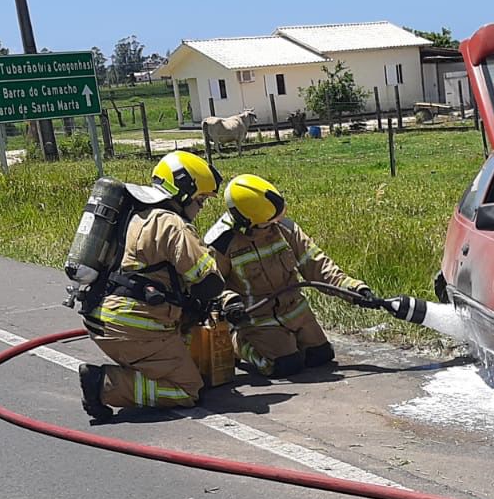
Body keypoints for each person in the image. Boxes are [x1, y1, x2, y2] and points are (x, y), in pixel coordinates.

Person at [77, 151, 237, 421]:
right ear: (185, 194)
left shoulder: (134, 214)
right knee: (188, 390)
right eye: (200, 200)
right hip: (137, 328)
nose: (201, 208)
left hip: (104, 316)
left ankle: (146, 367)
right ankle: (104, 385)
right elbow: (207, 281)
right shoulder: (171, 224)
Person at [204, 173, 371, 378]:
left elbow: (316, 264)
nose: (276, 224)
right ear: (248, 222)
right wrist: (229, 303)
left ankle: (287, 341)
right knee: (285, 366)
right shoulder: (222, 244)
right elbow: (211, 286)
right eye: (269, 222)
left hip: (294, 310)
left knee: (320, 356)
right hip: (257, 318)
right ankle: (236, 342)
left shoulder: (284, 227)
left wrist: (353, 288)